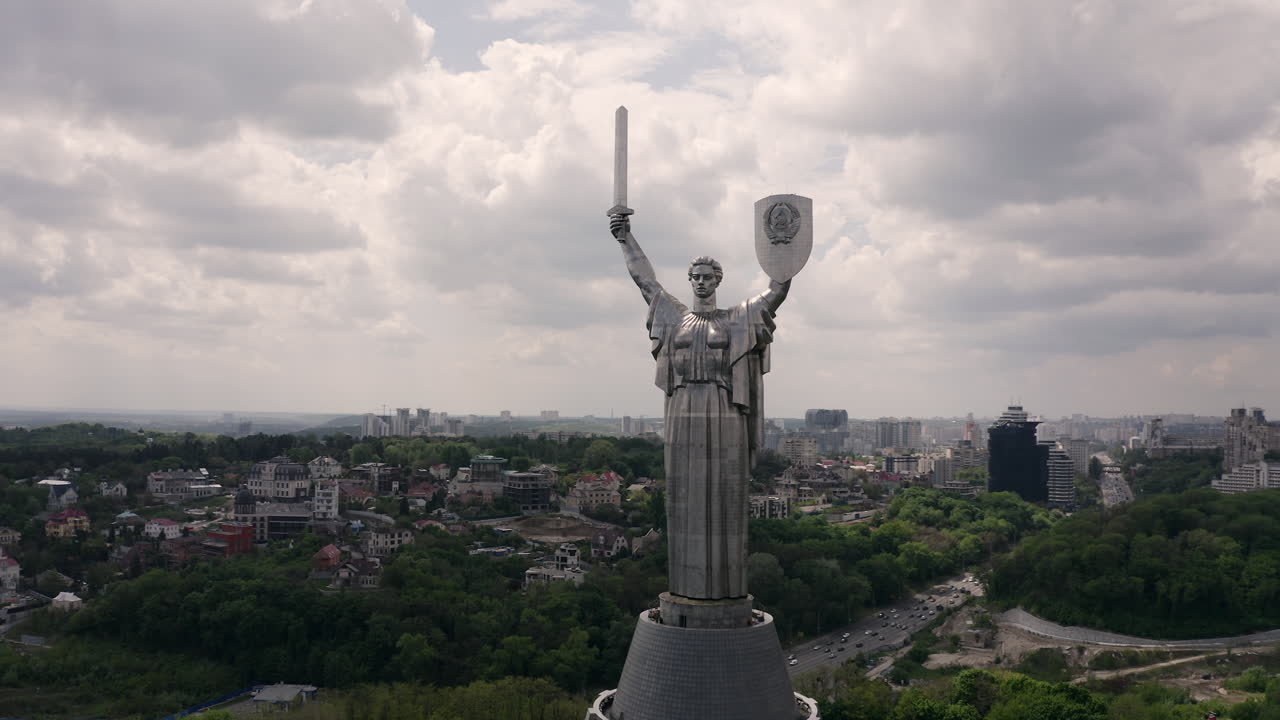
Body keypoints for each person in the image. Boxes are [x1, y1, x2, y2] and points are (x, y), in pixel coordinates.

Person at [610, 213, 790, 600]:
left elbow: (775, 293)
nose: (702, 282)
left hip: (723, 408)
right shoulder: (674, 317)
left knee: (725, 490)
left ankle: (724, 588)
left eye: (709, 276)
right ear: (690, 280)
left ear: (718, 281)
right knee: (681, 492)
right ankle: (686, 587)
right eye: (697, 276)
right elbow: (645, 280)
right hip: (681, 410)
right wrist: (626, 240)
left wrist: (784, 255)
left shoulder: (735, 319)